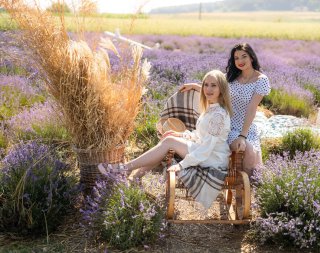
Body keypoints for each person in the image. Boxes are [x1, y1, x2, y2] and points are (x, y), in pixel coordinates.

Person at [98, 70, 233, 208]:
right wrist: (180, 135)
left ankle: (123, 169)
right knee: (168, 139)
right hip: (204, 150)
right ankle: (134, 176)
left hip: (212, 158)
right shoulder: (211, 108)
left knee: (169, 142)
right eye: (206, 85)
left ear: (221, 88)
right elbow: (200, 136)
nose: (208, 89)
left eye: (213, 85)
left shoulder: (219, 115)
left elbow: (206, 148)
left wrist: (181, 165)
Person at [180, 43, 271, 176]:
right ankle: (241, 184)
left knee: (252, 154)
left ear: (251, 57)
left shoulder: (261, 80)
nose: (240, 61)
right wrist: (195, 86)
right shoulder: (230, 77)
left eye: (243, 56)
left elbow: (252, 109)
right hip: (226, 124)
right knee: (248, 150)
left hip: (246, 128)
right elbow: (215, 90)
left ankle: (248, 188)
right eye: (236, 58)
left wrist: (242, 135)